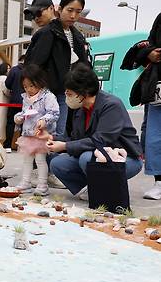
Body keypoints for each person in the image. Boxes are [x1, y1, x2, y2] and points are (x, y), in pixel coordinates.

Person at [48, 65, 143, 200]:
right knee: (58, 164)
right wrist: (51, 138)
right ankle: (95, 185)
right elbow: (73, 137)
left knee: (87, 158)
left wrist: (64, 146)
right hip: (95, 153)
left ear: (83, 93)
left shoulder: (111, 105)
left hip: (125, 157)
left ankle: (106, 188)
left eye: (69, 93)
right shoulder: (78, 107)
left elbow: (100, 140)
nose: (67, 96)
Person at [25, 0, 89, 138]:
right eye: (69, 10)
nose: (73, 16)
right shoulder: (47, 33)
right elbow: (34, 64)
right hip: (50, 93)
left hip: (68, 92)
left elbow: (82, 65)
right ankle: (47, 161)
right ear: (59, 9)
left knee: (59, 133)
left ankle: (53, 160)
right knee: (49, 133)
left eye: (77, 12)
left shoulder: (77, 36)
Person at [128, 12, 161, 200]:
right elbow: (150, 42)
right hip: (157, 87)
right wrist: (150, 53)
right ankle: (159, 182)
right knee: (154, 136)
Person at [13, 65, 59, 196]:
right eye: (25, 86)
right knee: (27, 159)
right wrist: (18, 118)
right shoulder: (26, 97)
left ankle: (43, 184)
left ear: (40, 82)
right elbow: (24, 112)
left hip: (41, 135)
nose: (28, 89)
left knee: (40, 160)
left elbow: (54, 113)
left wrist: (44, 120)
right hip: (28, 135)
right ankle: (25, 182)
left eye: (31, 86)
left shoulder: (48, 96)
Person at [4, 55, 25, 152]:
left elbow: (7, 84)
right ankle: (21, 145)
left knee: (10, 123)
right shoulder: (29, 70)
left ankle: (8, 145)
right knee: (24, 124)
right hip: (26, 101)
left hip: (14, 100)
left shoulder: (14, 70)